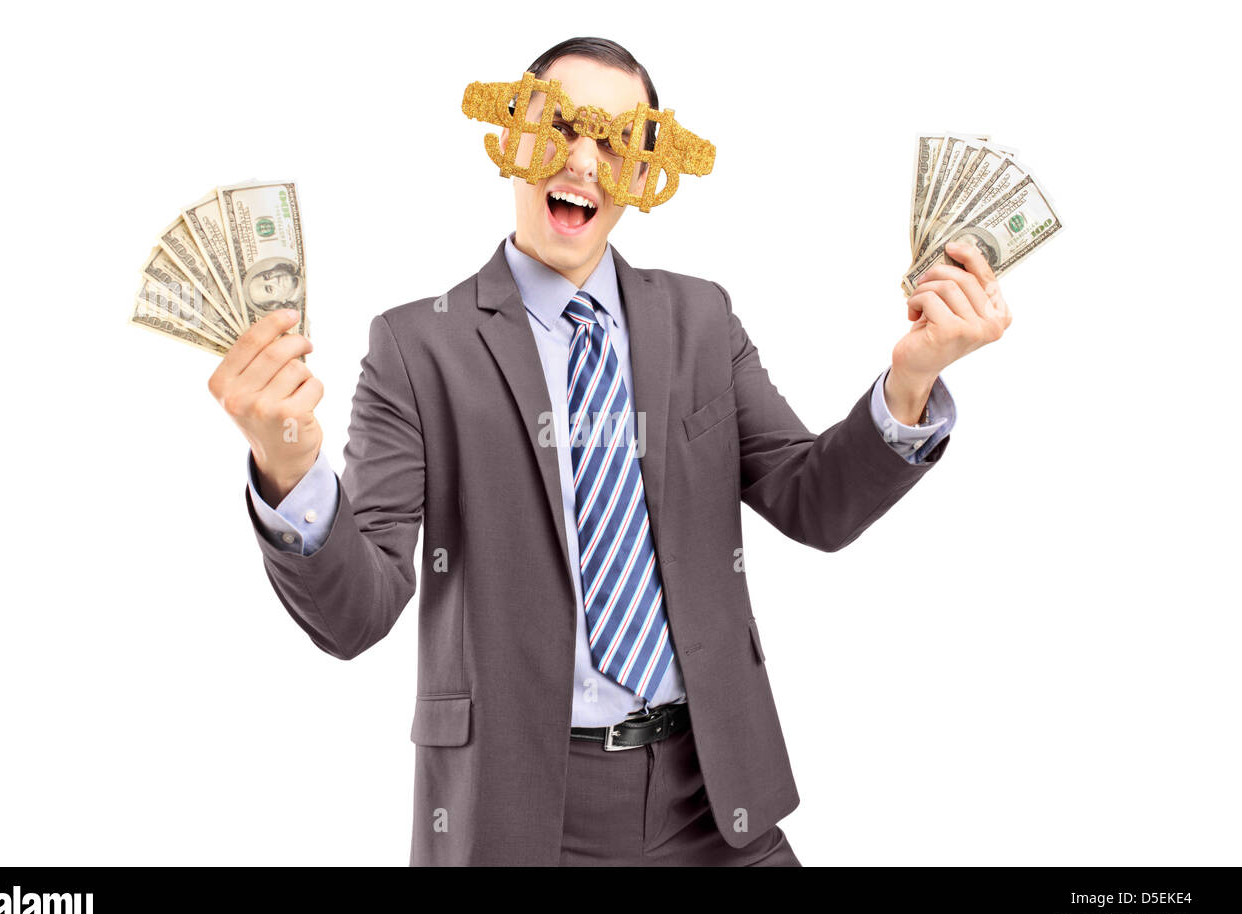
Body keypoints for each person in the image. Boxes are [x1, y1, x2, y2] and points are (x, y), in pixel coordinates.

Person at [206, 37, 1013, 866]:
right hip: (521, 814)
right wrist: (290, 468)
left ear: (645, 170)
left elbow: (813, 502)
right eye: (559, 129)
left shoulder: (700, 321)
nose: (585, 162)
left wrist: (911, 380)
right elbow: (357, 612)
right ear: (514, 141)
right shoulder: (419, 349)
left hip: (715, 798)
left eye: (618, 142)